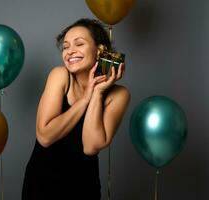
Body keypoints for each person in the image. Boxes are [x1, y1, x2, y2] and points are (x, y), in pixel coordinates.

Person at [22, 18, 130, 200]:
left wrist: (96, 92)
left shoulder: (118, 95)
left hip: (84, 188)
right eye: (65, 47)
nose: (70, 51)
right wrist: (85, 98)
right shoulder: (60, 76)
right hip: (41, 186)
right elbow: (45, 137)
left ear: (100, 51)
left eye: (79, 44)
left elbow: (90, 146)